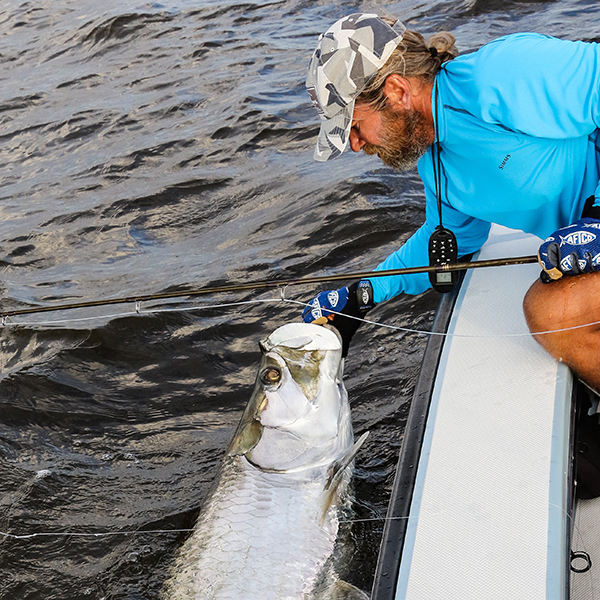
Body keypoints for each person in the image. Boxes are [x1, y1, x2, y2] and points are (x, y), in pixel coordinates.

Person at [302, 12, 600, 392]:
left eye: (355, 127)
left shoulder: (500, 73)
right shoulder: (435, 163)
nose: (355, 145)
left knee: (552, 314)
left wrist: (597, 215)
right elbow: (449, 240)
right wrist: (359, 298)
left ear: (396, 91)